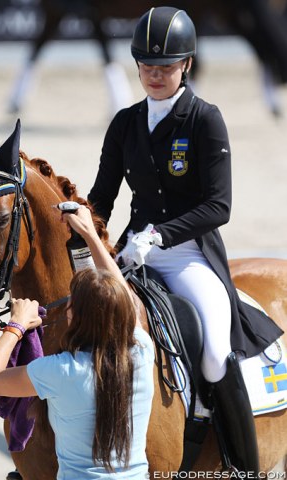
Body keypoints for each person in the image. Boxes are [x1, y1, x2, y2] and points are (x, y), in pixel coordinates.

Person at [88, 6, 283, 475]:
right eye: (147, 67)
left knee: (216, 353)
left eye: (166, 67)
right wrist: (79, 225)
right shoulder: (125, 124)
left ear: (187, 65)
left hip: (189, 256)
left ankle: (242, 465)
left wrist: (158, 235)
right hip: (131, 257)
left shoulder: (204, 120)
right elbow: (102, 198)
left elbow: (219, 207)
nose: (155, 76)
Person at [0, 205, 155, 479]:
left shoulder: (60, 371)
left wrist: (16, 325)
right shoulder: (141, 350)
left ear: (72, 315)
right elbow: (125, 301)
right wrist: (90, 236)